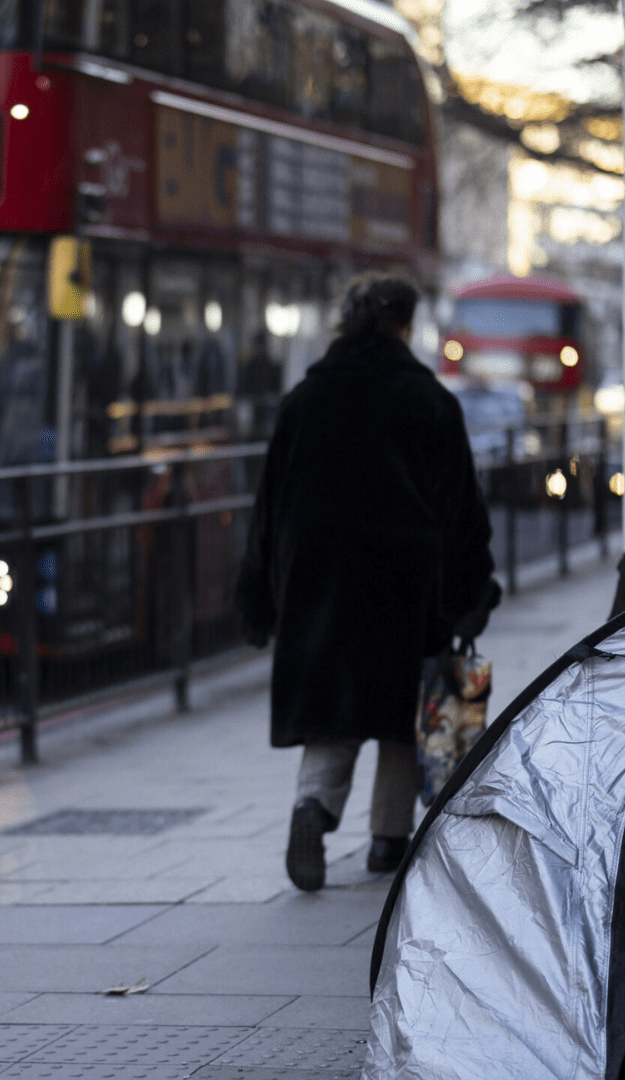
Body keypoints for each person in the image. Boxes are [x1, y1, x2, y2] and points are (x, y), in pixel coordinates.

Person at [236, 273, 499, 892]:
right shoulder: (430, 401)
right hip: (407, 581)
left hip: (319, 578)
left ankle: (312, 808)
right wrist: (470, 593)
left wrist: (260, 594)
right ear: (407, 326)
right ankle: (388, 838)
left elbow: (269, 506)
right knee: (406, 712)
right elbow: (461, 510)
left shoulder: (304, 400)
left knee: (335, 709)